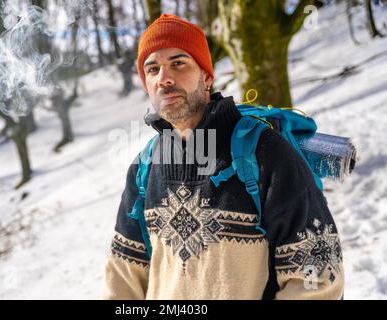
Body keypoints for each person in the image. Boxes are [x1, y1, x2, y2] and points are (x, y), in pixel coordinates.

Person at [103, 13, 344, 300]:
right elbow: (123, 278)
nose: (164, 78)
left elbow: (319, 276)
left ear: (206, 75)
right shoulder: (145, 165)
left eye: (178, 64)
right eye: (152, 69)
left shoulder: (265, 151)